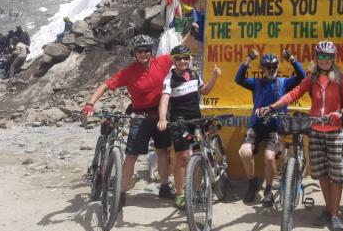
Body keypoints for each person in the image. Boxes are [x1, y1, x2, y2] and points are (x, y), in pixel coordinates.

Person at [259, 41, 343, 231]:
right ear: (316, 58)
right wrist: (272, 106)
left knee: (337, 176)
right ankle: (329, 210)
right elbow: (294, 94)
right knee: (322, 174)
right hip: (316, 130)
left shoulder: (342, 78)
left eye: (328, 57)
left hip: (335, 131)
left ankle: (335, 216)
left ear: (333, 59)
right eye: (322, 57)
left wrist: (340, 113)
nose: (325, 60)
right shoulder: (311, 78)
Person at [81, 34, 175, 207]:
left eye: (147, 50)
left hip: (161, 115)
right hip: (140, 116)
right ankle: (121, 192)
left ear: (151, 51)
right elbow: (106, 85)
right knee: (131, 155)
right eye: (140, 51)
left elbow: (183, 47)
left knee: (163, 151)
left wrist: (192, 30)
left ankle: (164, 187)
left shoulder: (162, 61)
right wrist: (89, 104)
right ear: (134, 53)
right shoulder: (129, 72)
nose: (144, 54)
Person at [235, 50, 305, 207]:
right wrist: (248, 59)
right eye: (268, 67)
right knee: (244, 152)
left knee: (269, 157)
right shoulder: (257, 83)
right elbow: (238, 79)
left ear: (277, 67)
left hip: (275, 127)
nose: (271, 70)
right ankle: (253, 182)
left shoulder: (283, 83)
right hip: (257, 126)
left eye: (274, 66)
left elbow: (302, 77)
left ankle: (268, 190)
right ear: (262, 68)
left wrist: (292, 59)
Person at [157, 45, 221, 208]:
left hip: (196, 121)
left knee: (199, 153)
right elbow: (164, 100)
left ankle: (197, 190)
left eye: (185, 58)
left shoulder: (194, 74)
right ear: (174, 60)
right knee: (183, 156)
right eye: (178, 58)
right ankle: (180, 194)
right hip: (180, 122)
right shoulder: (169, 78)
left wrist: (215, 77)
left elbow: (204, 91)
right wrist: (163, 118)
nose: (182, 61)